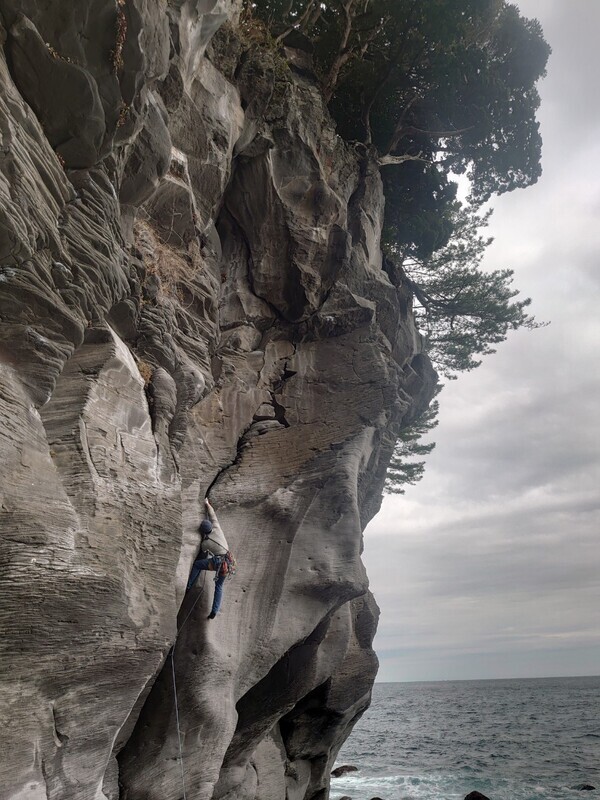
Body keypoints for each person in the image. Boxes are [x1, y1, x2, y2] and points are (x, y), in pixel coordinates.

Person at [186, 498, 235, 619]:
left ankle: (188, 586)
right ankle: (214, 611)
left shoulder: (206, 543)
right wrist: (207, 504)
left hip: (217, 562)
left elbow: (203, 552)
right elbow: (212, 515)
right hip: (228, 562)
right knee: (219, 587)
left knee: (197, 565)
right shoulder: (217, 528)